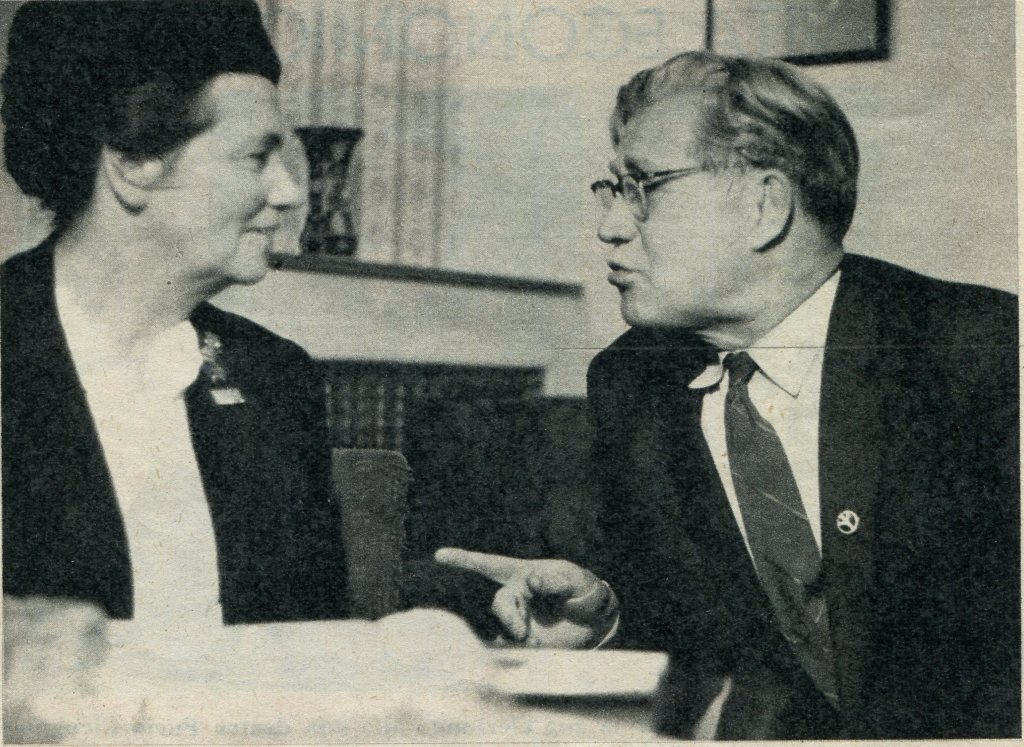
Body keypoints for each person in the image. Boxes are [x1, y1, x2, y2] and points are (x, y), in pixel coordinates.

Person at [436, 50, 1019, 739]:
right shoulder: (632, 380)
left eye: (644, 187)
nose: (610, 226)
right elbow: (699, 641)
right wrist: (606, 621)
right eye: (612, 189)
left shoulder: (980, 352)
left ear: (764, 205)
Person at [2, 0, 348, 628]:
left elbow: (312, 645)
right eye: (256, 157)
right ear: (133, 166)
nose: (289, 192)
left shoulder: (277, 378)